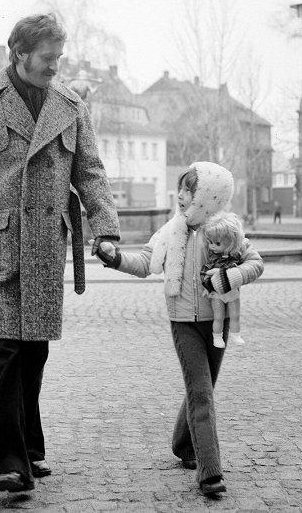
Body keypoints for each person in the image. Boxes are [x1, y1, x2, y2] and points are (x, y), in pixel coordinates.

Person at [0, 13, 120, 494]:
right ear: (18, 53)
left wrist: (105, 230)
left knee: (33, 351)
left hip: (44, 246)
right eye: (47, 58)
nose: (56, 66)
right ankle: (7, 463)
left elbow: (91, 174)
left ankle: (30, 446)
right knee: (4, 350)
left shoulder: (71, 106)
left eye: (60, 57)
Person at [95, 162, 264, 497]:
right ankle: (210, 473)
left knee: (201, 388)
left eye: (190, 190)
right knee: (201, 393)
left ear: (207, 196)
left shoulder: (224, 230)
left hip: (218, 323)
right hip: (184, 324)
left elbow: (255, 262)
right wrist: (114, 258)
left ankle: (183, 443)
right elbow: (145, 264)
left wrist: (231, 276)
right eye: (182, 189)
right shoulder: (170, 231)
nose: (182, 196)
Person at [200, 211, 248, 349]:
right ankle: (217, 337)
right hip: (216, 292)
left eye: (217, 243)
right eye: (210, 242)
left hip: (232, 291)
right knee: (218, 316)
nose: (212, 246)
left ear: (231, 242)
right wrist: (207, 287)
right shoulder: (212, 258)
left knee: (235, 314)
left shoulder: (237, 254)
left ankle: (235, 334)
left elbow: (244, 268)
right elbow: (204, 273)